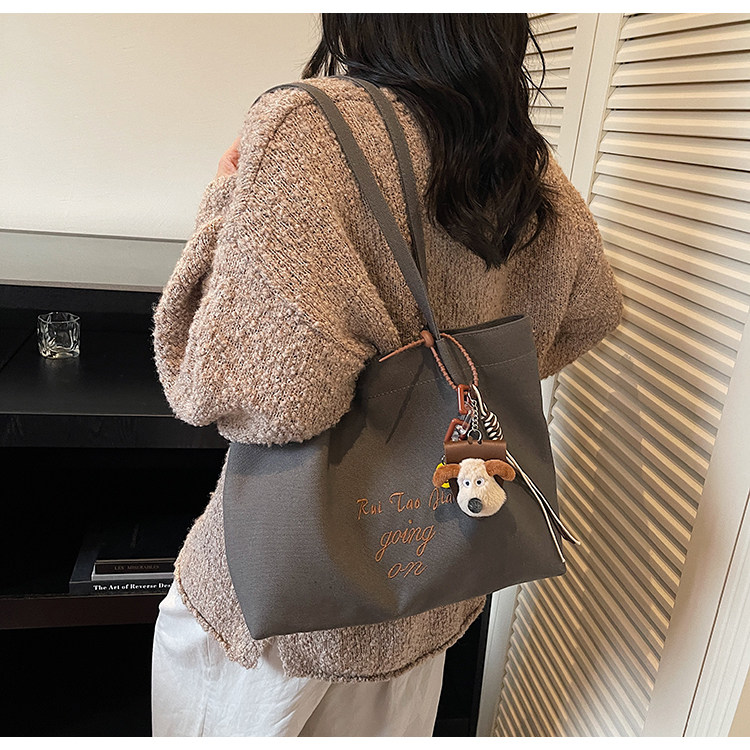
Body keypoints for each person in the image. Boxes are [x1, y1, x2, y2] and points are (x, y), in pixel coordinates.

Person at [150, 13, 624, 737]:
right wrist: (445, 377)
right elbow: (586, 313)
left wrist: (223, 199)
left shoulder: (310, 127)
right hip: (430, 589)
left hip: (278, 625)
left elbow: (257, 396)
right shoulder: (521, 159)